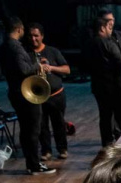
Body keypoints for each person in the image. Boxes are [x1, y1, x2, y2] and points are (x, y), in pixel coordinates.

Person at [0, 17, 55, 174]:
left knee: (26, 130)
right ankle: (34, 165)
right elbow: (23, 70)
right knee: (33, 130)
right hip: (25, 94)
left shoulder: (3, 46)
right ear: (18, 30)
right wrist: (38, 65)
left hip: (15, 92)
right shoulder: (15, 47)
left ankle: (31, 163)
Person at [86, 15, 121, 147]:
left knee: (105, 117)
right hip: (115, 86)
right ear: (102, 28)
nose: (111, 31)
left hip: (99, 86)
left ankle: (106, 144)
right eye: (109, 27)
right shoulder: (108, 43)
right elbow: (119, 61)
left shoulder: (89, 43)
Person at [27, 22, 70, 161]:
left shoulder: (52, 51)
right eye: (31, 36)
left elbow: (67, 69)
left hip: (56, 95)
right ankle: (46, 151)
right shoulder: (27, 54)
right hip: (38, 95)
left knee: (59, 124)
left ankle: (62, 149)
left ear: (42, 36)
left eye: (36, 36)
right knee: (42, 125)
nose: (33, 39)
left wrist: (51, 68)